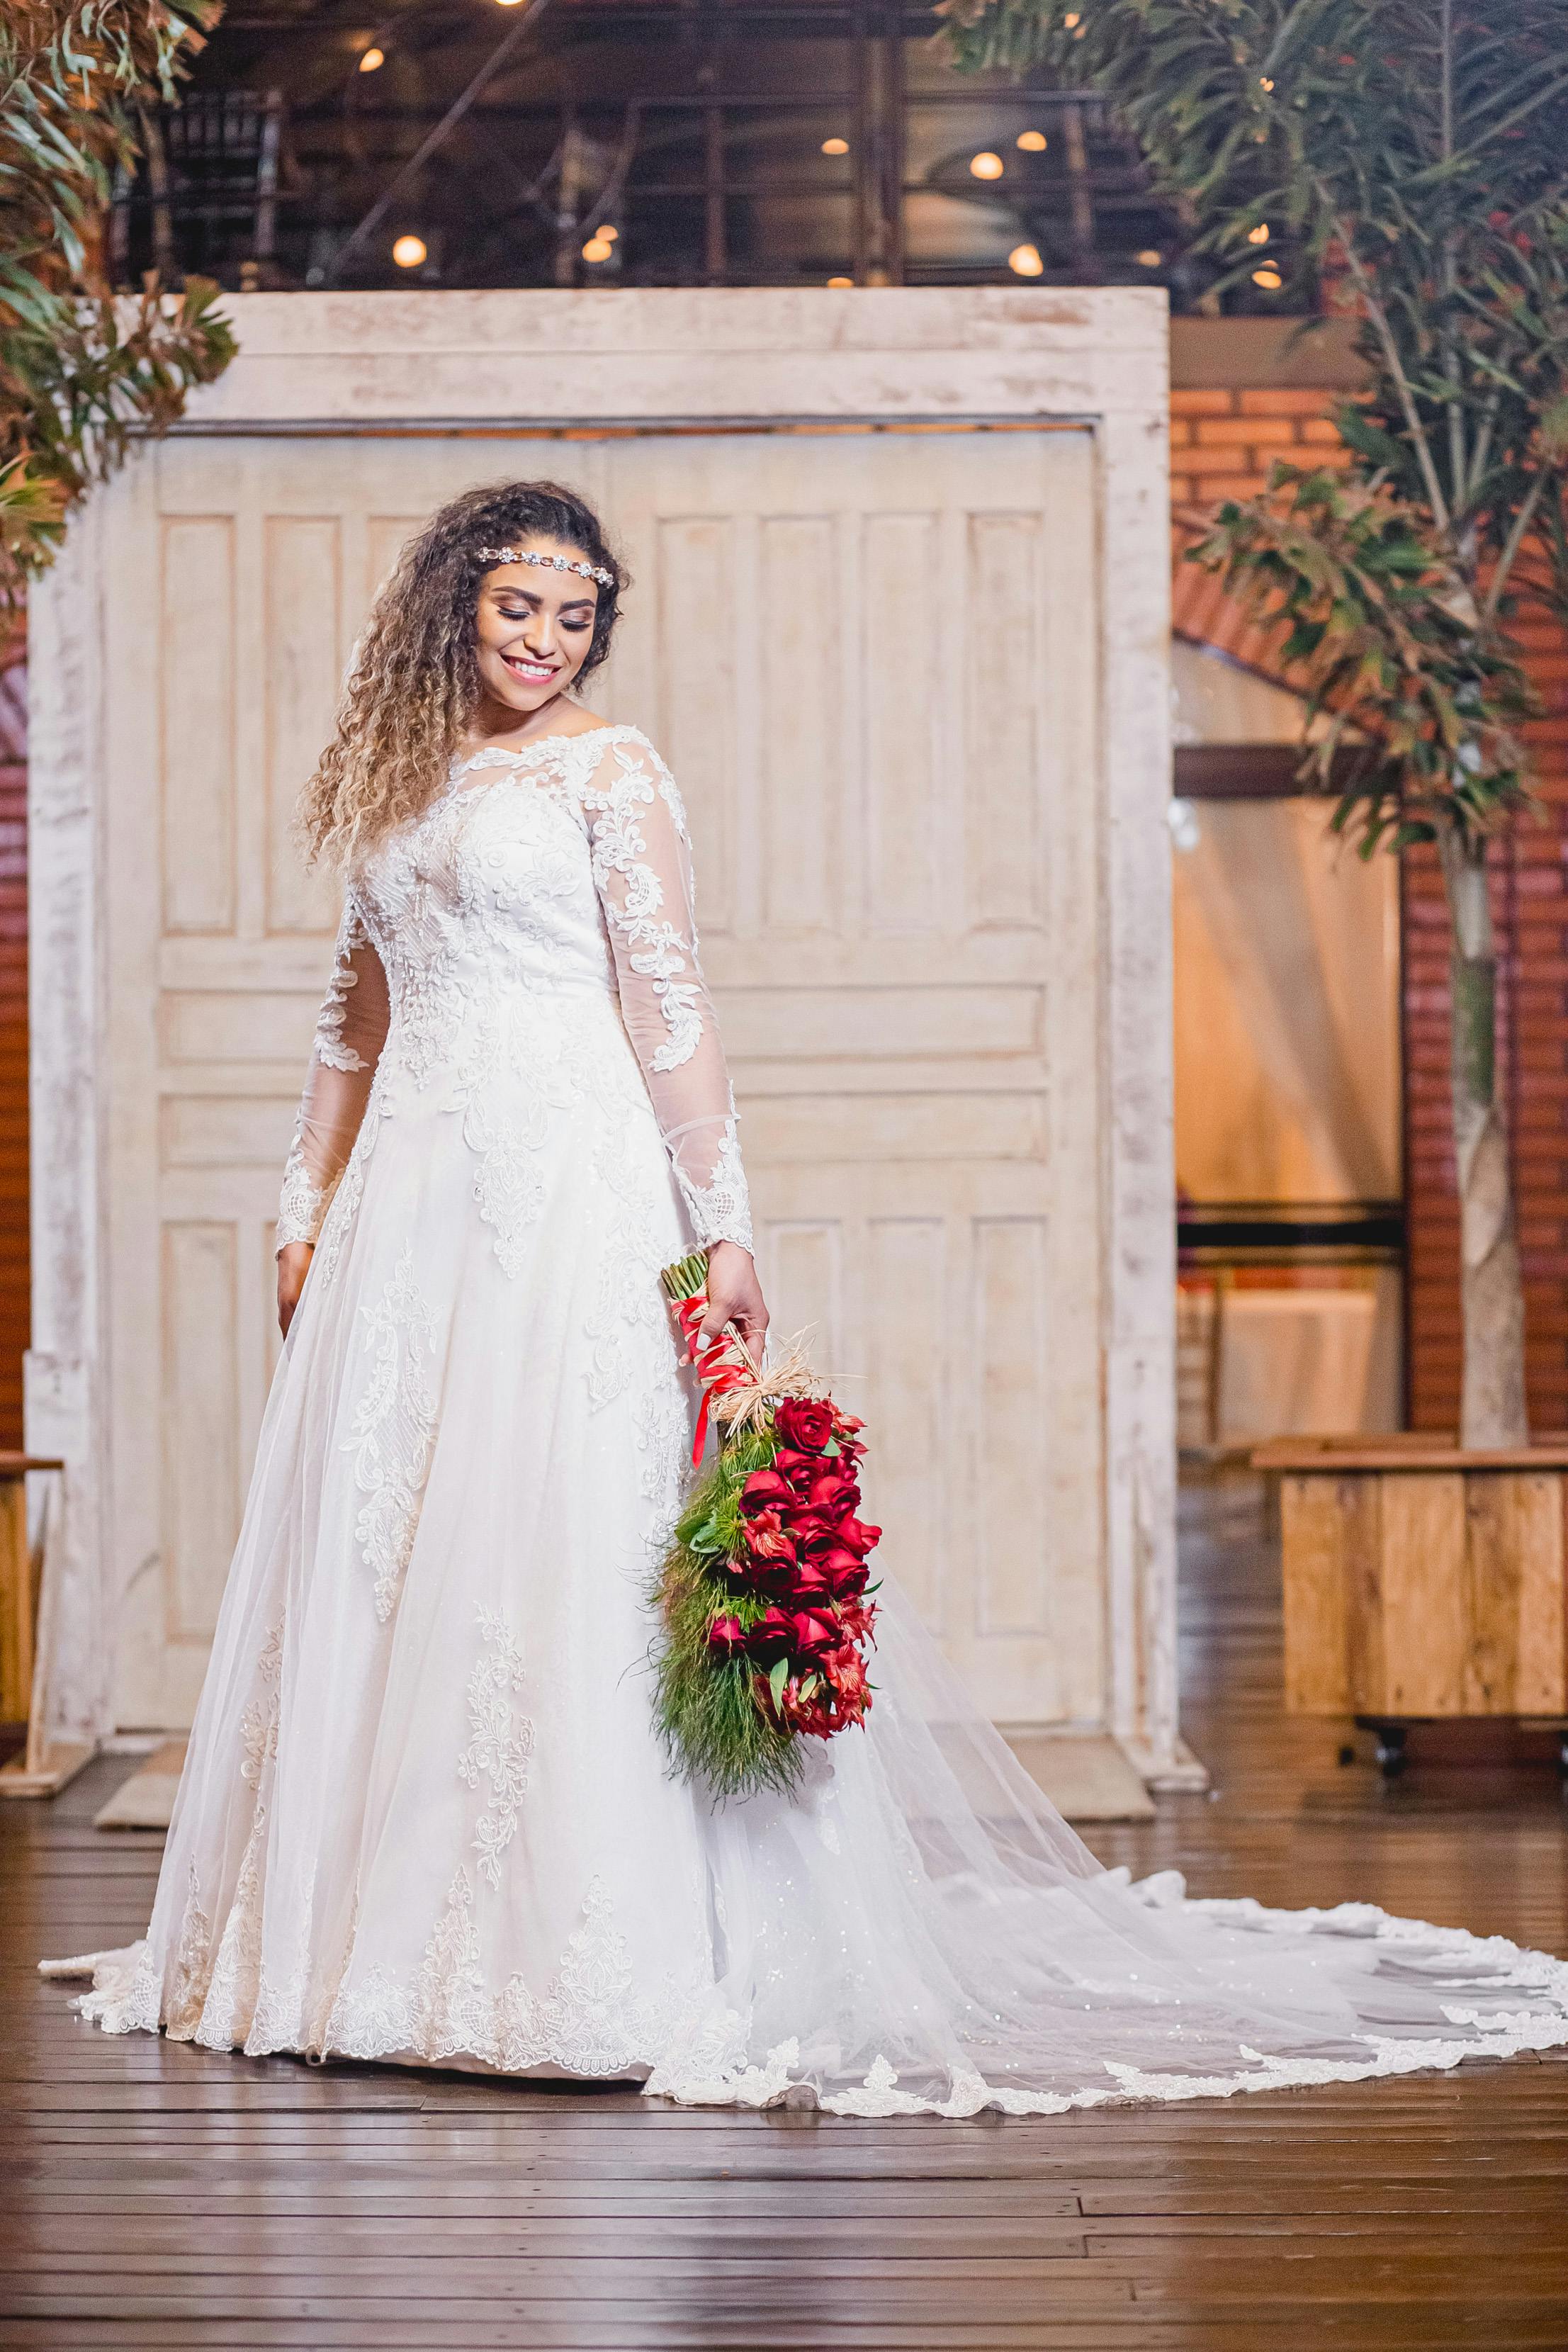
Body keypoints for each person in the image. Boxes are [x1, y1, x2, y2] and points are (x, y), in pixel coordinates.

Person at [49, 481, 1568, 2115]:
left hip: (569, 1192)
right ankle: (358, 1952)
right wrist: (301, 1206)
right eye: (517, 612)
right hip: (410, 1219)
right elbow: (348, 1022)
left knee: (563, 1532)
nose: (545, 644)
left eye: (574, 619)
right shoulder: (392, 777)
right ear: (451, 606)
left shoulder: (612, 771)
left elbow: (671, 1002)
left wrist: (726, 1232)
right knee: (390, 1544)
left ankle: (589, 1952)